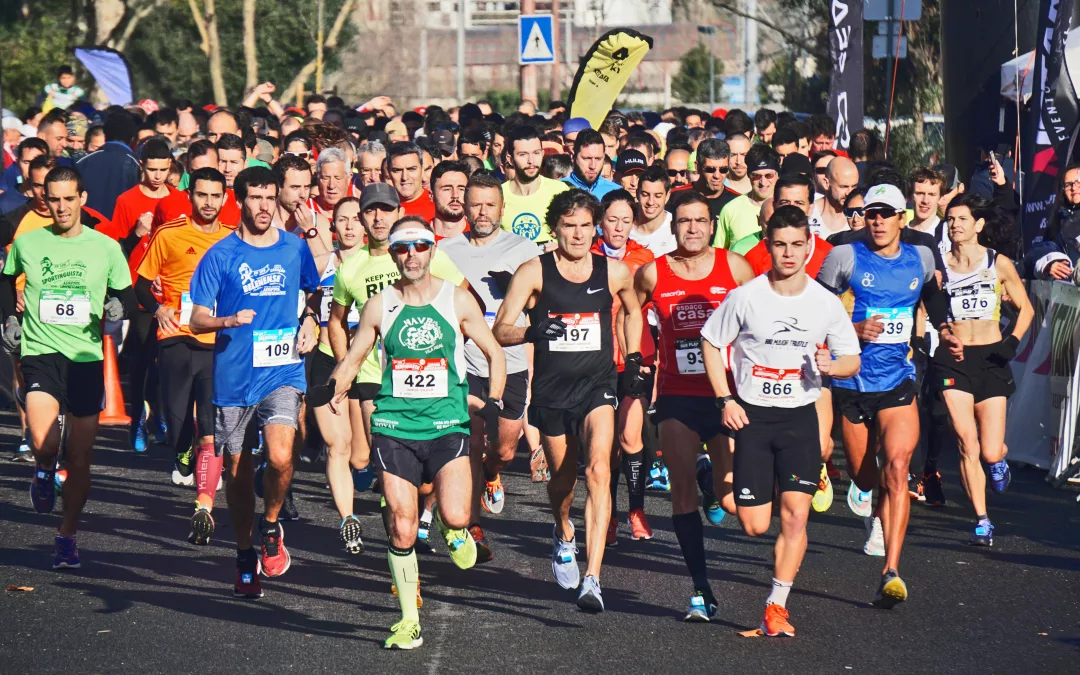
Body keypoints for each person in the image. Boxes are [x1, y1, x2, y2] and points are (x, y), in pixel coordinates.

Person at [316, 215, 506, 650]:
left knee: (459, 515)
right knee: (401, 527)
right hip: (394, 426)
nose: (412, 255)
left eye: (420, 246)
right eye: (403, 248)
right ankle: (408, 620)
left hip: (447, 425)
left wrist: (493, 403)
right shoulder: (380, 304)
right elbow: (356, 353)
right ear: (394, 254)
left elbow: (494, 353)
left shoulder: (456, 300)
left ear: (432, 249)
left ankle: (450, 525)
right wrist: (336, 387)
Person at [701, 205, 861, 637]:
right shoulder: (746, 296)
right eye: (780, 245)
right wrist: (723, 399)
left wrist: (833, 365)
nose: (789, 254)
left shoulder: (825, 303)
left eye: (796, 245)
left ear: (809, 247)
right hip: (752, 417)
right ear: (767, 247)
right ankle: (714, 478)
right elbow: (711, 343)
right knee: (754, 524)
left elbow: (851, 359)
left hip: (799, 420)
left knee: (795, 517)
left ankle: (776, 604)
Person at [494, 188, 645, 612]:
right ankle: (563, 532)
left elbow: (631, 310)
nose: (578, 235)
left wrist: (631, 357)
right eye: (568, 226)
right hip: (552, 391)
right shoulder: (534, 271)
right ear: (555, 228)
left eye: (584, 226)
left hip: (597, 386)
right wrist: (530, 333)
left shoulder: (613, 272)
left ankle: (593, 579)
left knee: (599, 469)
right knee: (563, 480)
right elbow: (501, 328)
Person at [815, 183, 953, 608]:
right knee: (864, 477)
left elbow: (932, 293)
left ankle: (891, 571)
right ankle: (868, 498)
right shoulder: (845, 256)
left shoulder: (922, 257)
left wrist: (945, 328)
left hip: (897, 381)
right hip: (853, 384)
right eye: (870, 213)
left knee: (896, 468)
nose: (876, 220)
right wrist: (851, 331)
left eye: (885, 214)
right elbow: (814, 310)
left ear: (901, 218)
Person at [188, 166, 321, 599]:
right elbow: (196, 317)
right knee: (237, 472)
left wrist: (312, 322)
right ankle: (245, 553)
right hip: (234, 374)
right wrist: (226, 319)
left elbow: (313, 293)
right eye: (255, 198)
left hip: (283, 370)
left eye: (269, 197)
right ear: (239, 200)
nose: (264, 206)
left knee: (282, 456)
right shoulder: (220, 255)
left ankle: (270, 525)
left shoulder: (293, 249)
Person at [2, 166, 135, 568]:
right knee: (43, 441)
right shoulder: (27, 242)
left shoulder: (105, 246)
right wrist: (9, 319)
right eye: (53, 198)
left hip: (86, 359)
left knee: (79, 457)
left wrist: (117, 307)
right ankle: (43, 468)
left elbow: (126, 294)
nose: (60, 206)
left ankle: (67, 535)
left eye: (67, 199)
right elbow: (6, 281)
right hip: (41, 352)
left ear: (83, 200)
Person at [328, 182, 467, 552]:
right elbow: (336, 320)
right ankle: (401, 538)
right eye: (370, 211)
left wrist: (451, 355)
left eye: (385, 210)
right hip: (377, 380)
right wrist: (346, 371)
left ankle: (431, 513)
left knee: (423, 476)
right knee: (375, 463)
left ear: (396, 213)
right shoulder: (351, 267)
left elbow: (464, 299)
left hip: (432, 382)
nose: (378, 217)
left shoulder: (422, 251)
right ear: (361, 217)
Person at [635, 191, 753, 619]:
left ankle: (712, 479)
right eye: (685, 221)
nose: (693, 229)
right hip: (677, 395)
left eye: (701, 221)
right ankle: (701, 589)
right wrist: (638, 358)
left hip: (728, 396)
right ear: (674, 227)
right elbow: (630, 313)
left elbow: (759, 312)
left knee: (733, 500)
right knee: (679, 491)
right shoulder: (652, 274)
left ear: (712, 225)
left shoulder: (734, 267)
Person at [441, 173, 540, 559]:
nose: (482, 212)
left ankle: (493, 473)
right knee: (469, 443)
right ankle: (472, 527)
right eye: (476, 204)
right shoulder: (446, 250)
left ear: (503, 208)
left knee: (503, 449)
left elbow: (539, 306)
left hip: (511, 365)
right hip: (465, 366)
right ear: (464, 207)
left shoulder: (523, 248)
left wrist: (515, 286)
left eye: (490, 205)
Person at [135, 167, 236, 541]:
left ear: (225, 199)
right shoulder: (169, 234)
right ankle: (181, 451)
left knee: (209, 429)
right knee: (180, 429)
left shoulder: (233, 240)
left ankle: (203, 507)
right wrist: (158, 308)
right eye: (202, 195)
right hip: (175, 337)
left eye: (215, 196)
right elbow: (142, 286)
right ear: (190, 196)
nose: (209, 203)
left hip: (216, 344)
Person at [936, 193, 1032, 545]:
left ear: (977, 225)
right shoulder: (940, 266)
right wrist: (941, 335)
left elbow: (1026, 309)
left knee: (990, 450)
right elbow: (928, 312)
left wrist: (1013, 341)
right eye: (950, 220)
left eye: (962, 219)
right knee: (966, 441)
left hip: (991, 357)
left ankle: (999, 461)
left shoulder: (998, 263)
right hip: (955, 360)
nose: (955, 225)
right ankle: (982, 517)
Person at [591, 190, 656, 544]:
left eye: (625, 221)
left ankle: (636, 509)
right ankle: (610, 515)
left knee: (631, 437)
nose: (618, 227)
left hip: (633, 357)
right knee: (606, 447)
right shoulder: (587, 255)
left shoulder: (645, 258)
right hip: (596, 359)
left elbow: (657, 310)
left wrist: (653, 355)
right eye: (612, 219)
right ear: (601, 221)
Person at [306, 196, 370, 555]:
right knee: (337, 446)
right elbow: (305, 304)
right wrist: (307, 319)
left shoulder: (379, 264)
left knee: (360, 456)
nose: (348, 226)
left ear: (364, 225)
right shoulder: (319, 264)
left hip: (365, 364)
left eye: (354, 219)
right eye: (342, 220)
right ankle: (348, 520)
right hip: (328, 361)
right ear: (334, 227)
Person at [500, 125, 569, 244]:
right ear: (510, 159)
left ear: (542, 153)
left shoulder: (560, 191)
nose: (531, 161)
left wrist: (559, 248)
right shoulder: (499, 195)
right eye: (523, 154)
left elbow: (572, 233)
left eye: (536, 153)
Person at [713, 144, 780, 250]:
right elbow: (719, 252)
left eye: (769, 175)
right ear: (748, 175)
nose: (763, 182)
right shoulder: (731, 209)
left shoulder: (787, 206)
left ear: (778, 175)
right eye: (756, 176)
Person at [76, 110, 140, 219]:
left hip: (86, 229)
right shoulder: (136, 164)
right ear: (132, 139)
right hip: (120, 232)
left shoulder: (82, 162)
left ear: (105, 135)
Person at [631, 165, 676, 256]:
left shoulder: (677, 228)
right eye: (645, 194)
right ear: (637, 194)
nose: (651, 202)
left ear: (667, 196)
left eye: (658, 196)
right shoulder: (625, 229)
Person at [809, 157, 859, 238]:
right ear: (826, 184)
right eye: (844, 187)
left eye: (854, 186)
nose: (849, 193)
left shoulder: (860, 217)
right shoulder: (809, 214)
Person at [561, 129, 620, 199]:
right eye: (587, 158)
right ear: (574, 157)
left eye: (598, 159)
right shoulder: (559, 189)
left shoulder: (616, 192)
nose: (593, 166)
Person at [386, 142, 435, 222]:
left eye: (411, 169)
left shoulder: (438, 206)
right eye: (397, 170)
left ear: (422, 169)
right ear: (389, 172)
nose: (404, 177)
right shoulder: (380, 209)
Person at [430, 161, 469, 240]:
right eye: (447, 189)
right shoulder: (419, 238)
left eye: (461, 189)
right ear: (431, 195)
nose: (455, 196)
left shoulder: (480, 239)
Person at [311, 147, 352, 217]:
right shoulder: (305, 211)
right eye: (325, 178)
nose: (331, 185)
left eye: (337, 178)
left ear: (349, 178)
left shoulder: (359, 211)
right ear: (317, 177)